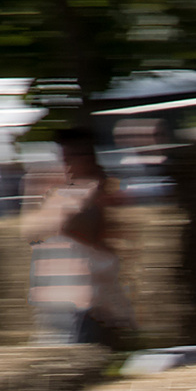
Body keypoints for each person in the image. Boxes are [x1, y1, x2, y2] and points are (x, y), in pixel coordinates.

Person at [23, 126, 135, 347]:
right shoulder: (62, 193)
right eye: (64, 158)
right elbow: (31, 232)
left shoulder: (97, 192)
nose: (66, 165)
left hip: (87, 295)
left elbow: (91, 231)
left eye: (71, 157)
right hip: (60, 292)